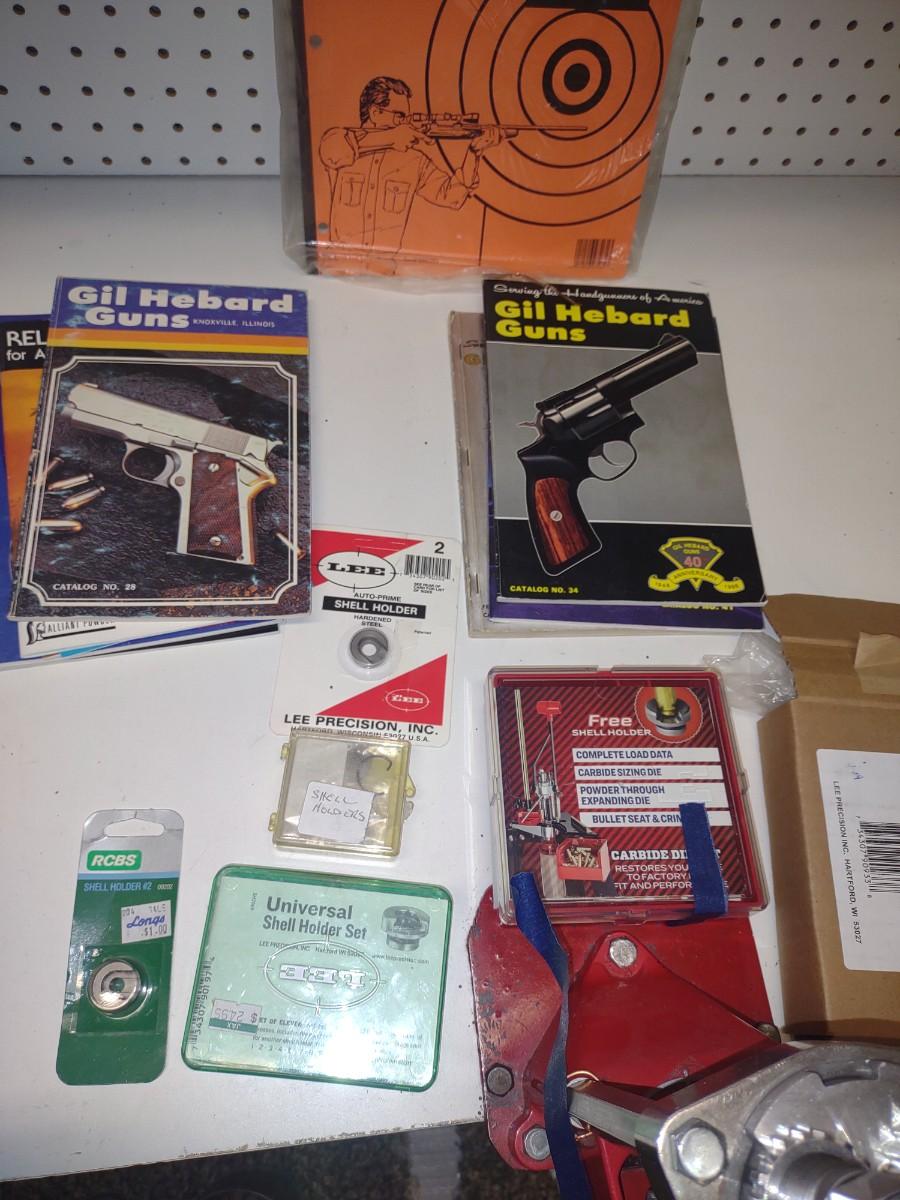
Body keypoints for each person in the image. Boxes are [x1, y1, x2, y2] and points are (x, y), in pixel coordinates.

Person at [319, 76, 505, 257]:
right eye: (399, 116)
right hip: (340, 263)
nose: (406, 123)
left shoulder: (413, 160)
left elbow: (451, 197)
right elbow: (330, 151)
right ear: (376, 113)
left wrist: (474, 153)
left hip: (387, 269)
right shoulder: (342, 144)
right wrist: (391, 138)